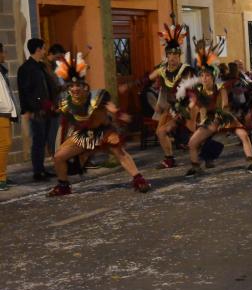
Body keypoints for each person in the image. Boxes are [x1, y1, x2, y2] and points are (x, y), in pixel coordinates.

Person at [49, 52, 151, 196]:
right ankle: (63, 185)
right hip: (84, 135)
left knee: (120, 153)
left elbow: (112, 108)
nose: (75, 89)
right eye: (72, 86)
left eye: (78, 85)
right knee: (59, 157)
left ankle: (139, 179)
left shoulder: (96, 96)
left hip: (104, 133)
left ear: (84, 86)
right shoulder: (65, 101)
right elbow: (63, 119)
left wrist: (120, 115)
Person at [178, 40, 252, 176]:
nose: (204, 78)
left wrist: (220, 122)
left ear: (213, 77)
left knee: (243, 135)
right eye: (202, 75)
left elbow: (225, 106)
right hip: (209, 120)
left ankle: (251, 162)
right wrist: (183, 109)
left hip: (224, 117)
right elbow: (193, 104)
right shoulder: (198, 90)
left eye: (207, 75)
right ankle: (195, 166)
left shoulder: (220, 88)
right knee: (192, 143)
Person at [148, 23, 194, 168]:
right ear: (166, 56)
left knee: (196, 133)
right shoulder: (163, 70)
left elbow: (192, 92)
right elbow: (149, 78)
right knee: (160, 132)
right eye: (170, 54)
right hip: (170, 108)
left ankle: (205, 153)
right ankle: (169, 159)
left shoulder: (186, 70)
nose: (173, 57)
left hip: (187, 108)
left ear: (179, 55)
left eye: (175, 54)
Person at [17, 38, 56, 181]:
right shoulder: (26, 68)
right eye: (44, 48)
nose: (45, 51)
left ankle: (42, 169)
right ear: (38, 49)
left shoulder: (41, 66)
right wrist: (31, 110)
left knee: (43, 139)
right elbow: (25, 92)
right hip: (36, 111)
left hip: (46, 109)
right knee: (38, 141)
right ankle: (37, 172)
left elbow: (46, 87)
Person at [0, 44, 18, 191]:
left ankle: (3, 175)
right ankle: (0, 178)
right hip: (1, 112)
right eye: (3, 52)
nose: (5, 54)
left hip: (5, 112)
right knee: (3, 145)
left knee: (5, 145)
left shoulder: (1, 70)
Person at [46, 43, 66, 156]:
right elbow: (49, 87)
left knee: (60, 130)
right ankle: (55, 155)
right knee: (54, 131)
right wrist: (60, 87)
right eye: (58, 57)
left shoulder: (56, 66)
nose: (59, 60)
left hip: (61, 101)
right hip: (52, 103)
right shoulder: (46, 67)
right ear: (51, 54)